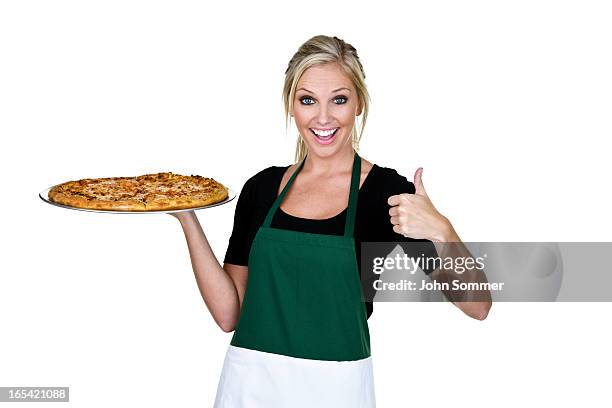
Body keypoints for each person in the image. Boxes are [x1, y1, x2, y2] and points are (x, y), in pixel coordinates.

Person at [171, 35, 491, 408]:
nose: (323, 118)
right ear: (292, 106)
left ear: (358, 104)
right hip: (250, 386)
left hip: (336, 390)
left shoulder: (385, 193)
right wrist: (186, 217)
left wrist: (442, 230)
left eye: (338, 99)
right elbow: (229, 315)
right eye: (308, 100)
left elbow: (478, 305)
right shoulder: (261, 189)